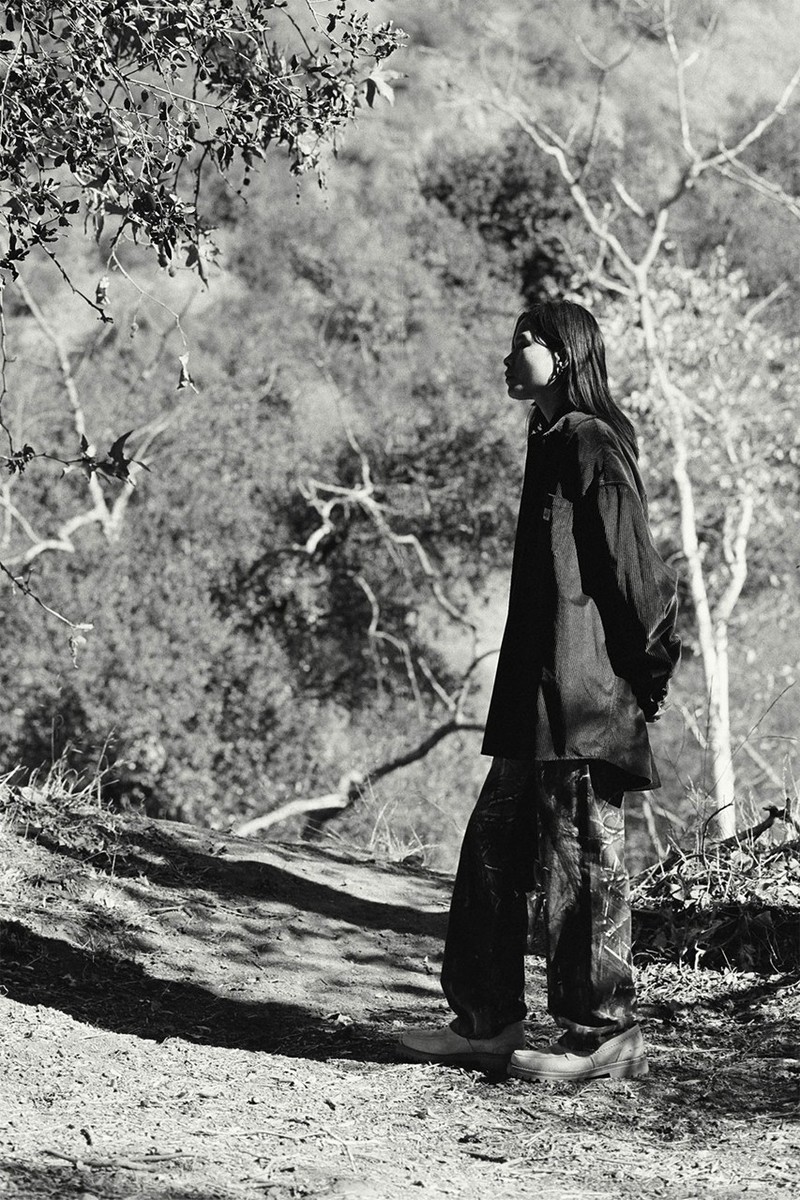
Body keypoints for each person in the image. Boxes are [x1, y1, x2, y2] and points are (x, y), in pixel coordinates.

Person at [397, 300, 681, 1082]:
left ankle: (602, 1037)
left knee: (581, 868)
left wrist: (649, 673)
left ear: (566, 354)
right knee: (490, 856)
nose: (508, 353)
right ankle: (487, 1023)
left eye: (524, 341)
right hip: (536, 707)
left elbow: (636, 576)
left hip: (587, 705)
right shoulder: (550, 441)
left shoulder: (592, 443)